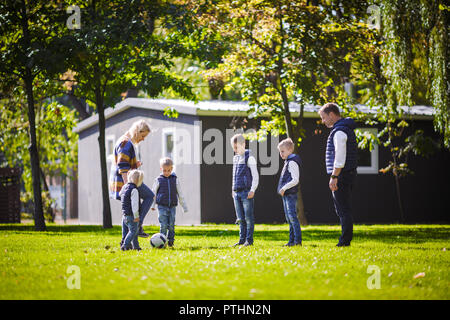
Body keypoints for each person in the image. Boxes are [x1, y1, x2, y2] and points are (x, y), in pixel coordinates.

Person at [318, 102, 358, 247]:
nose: (323, 121)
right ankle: (345, 239)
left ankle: (344, 241)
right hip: (347, 173)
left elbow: (340, 157)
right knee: (343, 208)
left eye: (323, 117)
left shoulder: (340, 131)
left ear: (332, 114)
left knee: (343, 209)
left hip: (342, 174)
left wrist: (334, 176)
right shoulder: (345, 129)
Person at [109, 119, 154, 238]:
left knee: (128, 211)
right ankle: (137, 226)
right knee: (149, 196)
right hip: (127, 182)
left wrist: (134, 164)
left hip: (127, 181)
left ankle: (126, 240)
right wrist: (127, 187)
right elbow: (123, 167)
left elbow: (124, 162)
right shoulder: (126, 143)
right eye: (143, 135)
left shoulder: (125, 141)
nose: (143, 139)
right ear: (137, 131)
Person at [151, 157, 188, 247]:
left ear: (172, 169)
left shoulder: (175, 179)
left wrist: (184, 206)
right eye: (164, 170)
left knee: (171, 224)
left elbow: (180, 193)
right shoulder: (158, 180)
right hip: (161, 206)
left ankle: (171, 241)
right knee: (163, 225)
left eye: (168, 170)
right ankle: (162, 241)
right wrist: (153, 205)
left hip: (172, 206)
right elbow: (153, 193)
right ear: (161, 169)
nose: (166, 172)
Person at [230, 133, 259, 247]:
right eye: (234, 147)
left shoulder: (249, 157)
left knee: (248, 218)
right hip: (236, 192)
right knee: (240, 218)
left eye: (237, 147)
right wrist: (233, 189)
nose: (235, 150)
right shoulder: (236, 158)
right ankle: (241, 240)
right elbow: (234, 175)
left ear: (243, 144)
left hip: (246, 192)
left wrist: (253, 190)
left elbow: (255, 175)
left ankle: (249, 240)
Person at [277, 138, 302, 246]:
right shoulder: (287, 161)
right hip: (287, 194)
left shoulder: (292, 162)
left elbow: (295, 179)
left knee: (292, 217)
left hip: (290, 194)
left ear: (290, 150)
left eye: (282, 151)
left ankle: (297, 241)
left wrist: (284, 188)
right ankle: (291, 241)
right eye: (280, 152)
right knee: (289, 218)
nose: (280, 154)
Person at [119, 169, 144, 251]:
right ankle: (125, 245)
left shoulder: (124, 187)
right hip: (131, 215)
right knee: (133, 231)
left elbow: (120, 194)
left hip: (124, 214)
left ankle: (136, 246)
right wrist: (136, 216)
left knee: (132, 231)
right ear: (138, 180)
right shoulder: (134, 190)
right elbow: (134, 205)